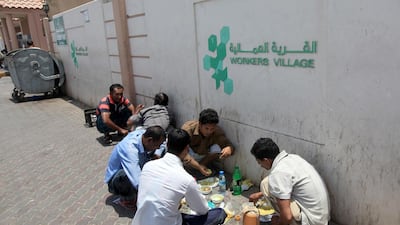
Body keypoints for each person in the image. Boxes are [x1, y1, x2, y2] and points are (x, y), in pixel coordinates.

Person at [132, 129, 227, 225]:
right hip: (169, 222)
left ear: (167, 145)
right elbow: (202, 210)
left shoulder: (148, 166)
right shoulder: (186, 179)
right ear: (187, 148)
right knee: (219, 213)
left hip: (141, 221)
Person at [249, 138, 330, 225]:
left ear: (266, 160)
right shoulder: (293, 158)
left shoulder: (278, 173)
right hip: (321, 217)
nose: (261, 166)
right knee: (266, 183)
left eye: (259, 163)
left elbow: (287, 217)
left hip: (311, 221)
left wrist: (278, 222)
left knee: (267, 184)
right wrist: (260, 194)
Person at [104, 126, 166, 208]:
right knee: (126, 176)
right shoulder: (130, 150)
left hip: (140, 163)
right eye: (156, 145)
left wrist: (157, 153)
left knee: (163, 151)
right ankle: (127, 199)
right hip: (117, 181)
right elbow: (137, 180)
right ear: (149, 140)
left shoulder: (143, 134)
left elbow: (164, 143)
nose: (158, 147)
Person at [181, 108, 234, 178]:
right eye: (206, 128)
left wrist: (229, 149)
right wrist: (198, 166)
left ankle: (202, 166)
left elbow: (229, 145)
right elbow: (181, 151)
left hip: (204, 156)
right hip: (189, 156)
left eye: (212, 129)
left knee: (217, 148)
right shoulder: (188, 129)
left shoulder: (217, 131)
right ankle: (191, 169)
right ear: (200, 124)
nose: (209, 132)